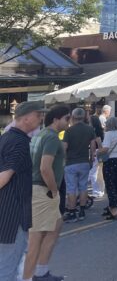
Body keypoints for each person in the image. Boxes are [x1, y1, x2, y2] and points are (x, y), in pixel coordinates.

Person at [23, 104, 70, 281]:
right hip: (43, 191)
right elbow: (45, 168)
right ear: (56, 119)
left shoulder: (41, 135)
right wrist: (54, 190)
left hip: (39, 190)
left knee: (55, 226)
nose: (69, 121)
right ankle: (29, 277)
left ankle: (40, 272)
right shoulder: (51, 138)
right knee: (36, 238)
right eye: (67, 118)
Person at [0, 101, 44, 280]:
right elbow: (4, 177)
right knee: (8, 266)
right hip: (12, 216)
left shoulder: (6, 137)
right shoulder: (19, 142)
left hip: (7, 212)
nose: (41, 119)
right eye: (38, 115)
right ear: (26, 118)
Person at [62, 107, 98, 222]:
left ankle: (72, 212)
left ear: (73, 117)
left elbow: (64, 148)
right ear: (83, 117)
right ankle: (82, 211)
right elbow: (93, 146)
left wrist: (63, 159)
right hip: (84, 162)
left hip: (71, 162)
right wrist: (92, 158)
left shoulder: (69, 130)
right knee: (83, 187)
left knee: (71, 188)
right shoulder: (89, 129)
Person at [99, 117, 117, 220]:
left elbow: (105, 148)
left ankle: (113, 209)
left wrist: (97, 152)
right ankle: (113, 205)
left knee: (110, 185)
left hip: (110, 160)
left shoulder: (108, 134)